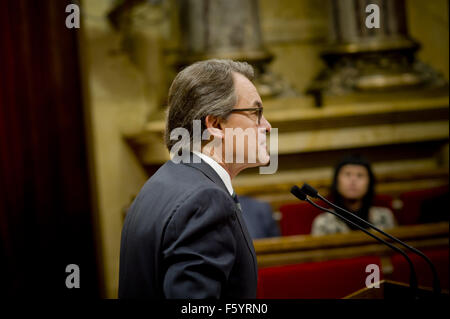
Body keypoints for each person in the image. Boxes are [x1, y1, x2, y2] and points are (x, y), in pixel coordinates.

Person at [118, 59, 272, 298]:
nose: (267, 126)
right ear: (216, 124)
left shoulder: (161, 183)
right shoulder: (205, 200)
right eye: (256, 112)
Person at [311, 155, 396, 236]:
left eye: (360, 175)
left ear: (369, 183)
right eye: (347, 174)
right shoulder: (323, 223)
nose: (353, 180)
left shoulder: (384, 217)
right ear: (336, 181)